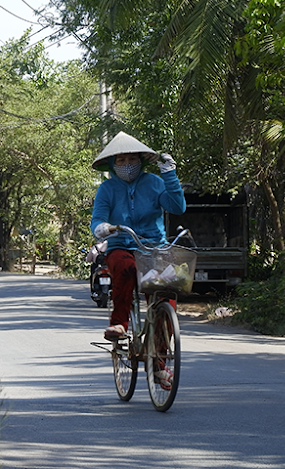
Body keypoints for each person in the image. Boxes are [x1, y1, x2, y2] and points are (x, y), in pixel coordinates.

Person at [90, 132, 185, 386]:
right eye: (121, 160)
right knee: (126, 268)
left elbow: (177, 206)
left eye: (132, 158)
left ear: (141, 160)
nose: (127, 164)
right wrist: (103, 228)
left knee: (166, 293)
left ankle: (159, 363)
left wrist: (169, 175)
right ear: (113, 164)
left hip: (153, 246)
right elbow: (97, 219)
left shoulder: (154, 183)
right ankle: (120, 323)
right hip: (121, 245)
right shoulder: (107, 188)